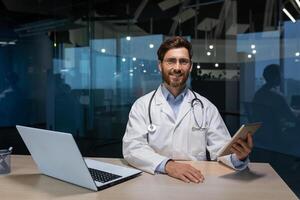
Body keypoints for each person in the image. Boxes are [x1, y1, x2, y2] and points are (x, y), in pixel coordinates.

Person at [123, 36, 253, 183]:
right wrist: (168, 165)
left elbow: (222, 151)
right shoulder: (142, 106)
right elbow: (132, 148)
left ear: (190, 66)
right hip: (154, 180)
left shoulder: (206, 108)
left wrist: (238, 156)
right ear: (160, 65)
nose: (177, 67)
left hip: (195, 180)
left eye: (183, 61)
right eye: (171, 61)